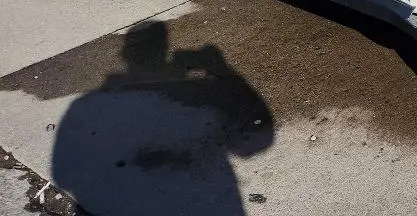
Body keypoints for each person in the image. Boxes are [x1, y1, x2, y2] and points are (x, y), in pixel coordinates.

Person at [52, 21, 273, 215]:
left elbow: (63, 174)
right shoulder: (88, 105)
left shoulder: (85, 106)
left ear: (125, 55)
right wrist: (222, 68)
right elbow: (254, 143)